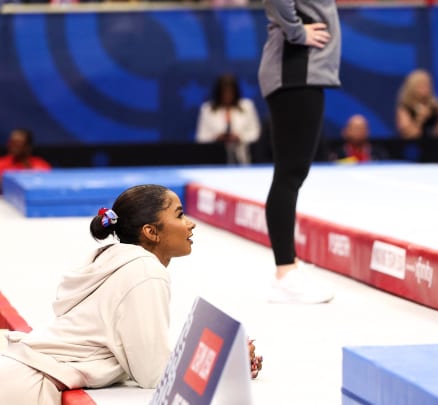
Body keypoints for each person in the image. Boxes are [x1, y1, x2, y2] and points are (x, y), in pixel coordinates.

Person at [0, 185, 260, 404]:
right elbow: (154, 374)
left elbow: (133, 351)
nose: (190, 224)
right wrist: (224, 364)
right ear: (151, 232)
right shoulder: (145, 271)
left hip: (15, 370)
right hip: (25, 385)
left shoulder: (109, 258)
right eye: (179, 215)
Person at [257, 0, 340, 303]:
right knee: (289, 174)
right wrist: (296, 32)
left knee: (292, 174)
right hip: (295, 69)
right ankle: (284, 272)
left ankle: (287, 266)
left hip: (300, 70)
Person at [195, 74, 261, 165]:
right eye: (224, 92)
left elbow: (255, 133)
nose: (227, 95)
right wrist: (217, 138)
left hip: (243, 159)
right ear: (219, 93)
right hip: (214, 160)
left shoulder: (247, 107)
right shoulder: (207, 109)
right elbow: (201, 138)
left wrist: (239, 137)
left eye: (230, 92)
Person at [395, 69, 438, 139]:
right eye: (421, 86)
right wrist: (421, 118)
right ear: (412, 88)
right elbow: (411, 135)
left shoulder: (433, 105)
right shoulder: (404, 108)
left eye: (427, 86)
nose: (426, 90)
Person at [0, 128, 51, 192]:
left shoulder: (41, 166)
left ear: (28, 146)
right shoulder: (1, 163)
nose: (12, 146)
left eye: (17, 143)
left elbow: (44, 187)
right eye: (11, 142)